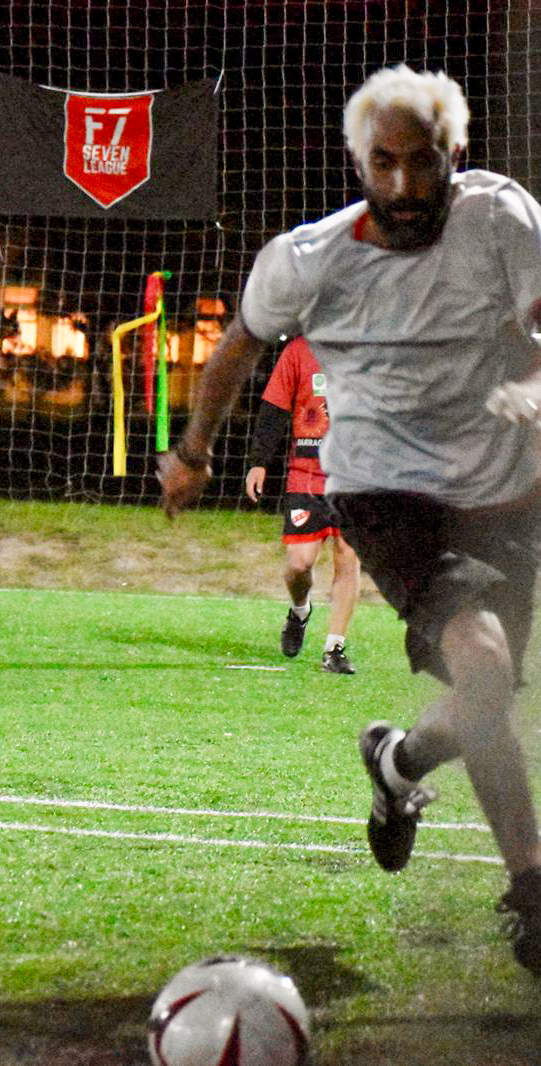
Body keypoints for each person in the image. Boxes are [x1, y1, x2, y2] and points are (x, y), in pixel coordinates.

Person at [159, 66, 541, 974]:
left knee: (484, 695)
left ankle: (397, 765)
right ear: (357, 162)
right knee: (485, 666)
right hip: (386, 493)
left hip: (504, 491)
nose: (403, 184)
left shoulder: (503, 220)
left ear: (456, 153)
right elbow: (236, 346)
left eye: (423, 162)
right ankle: (532, 891)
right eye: (383, 163)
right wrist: (195, 449)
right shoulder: (310, 258)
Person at [244, 335, 361, 673]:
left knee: (348, 556)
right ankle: (299, 611)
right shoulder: (298, 350)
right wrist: (259, 461)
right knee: (298, 564)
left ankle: (334, 648)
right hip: (306, 474)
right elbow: (274, 408)